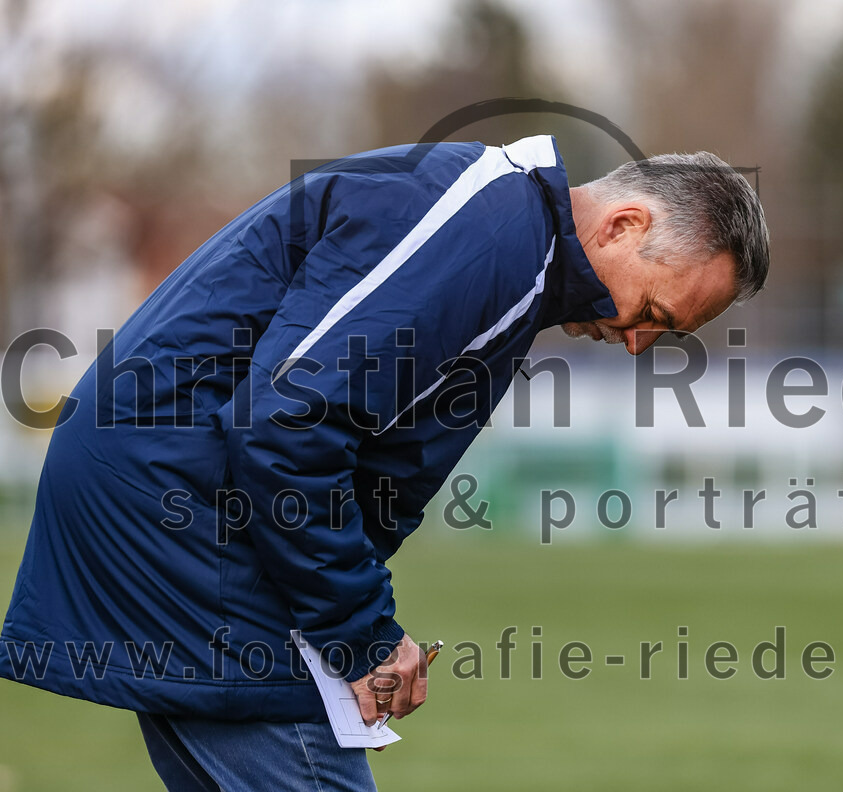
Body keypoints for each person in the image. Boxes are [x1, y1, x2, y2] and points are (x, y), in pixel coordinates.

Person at [0, 135, 769, 790]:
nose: (637, 342)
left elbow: (364, 458)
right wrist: (361, 634)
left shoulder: (512, 244)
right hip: (178, 494)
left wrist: (361, 620)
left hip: (175, 484)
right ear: (626, 224)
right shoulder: (492, 234)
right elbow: (288, 421)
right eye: (653, 313)